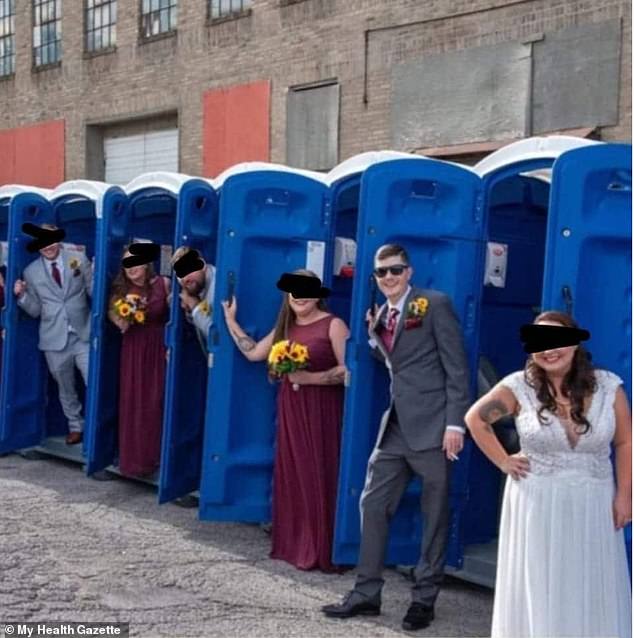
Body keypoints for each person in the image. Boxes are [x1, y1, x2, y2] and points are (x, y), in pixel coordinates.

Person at [322, 243, 471, 631]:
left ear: (408, 272)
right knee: (372, 504)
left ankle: (424, 599)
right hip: (396, 428)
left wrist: (456, 424)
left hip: (436, 429)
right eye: (381, 272)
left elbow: (457, 368)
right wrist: (375, 339)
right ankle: (366, 592)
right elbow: (400, 362)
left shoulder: (434, 303)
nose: (388, 277)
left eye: (395, 270)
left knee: (434, 515)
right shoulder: (381, 316)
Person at [465, 311, 632, 638]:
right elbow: (476, 420)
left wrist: (625, 495)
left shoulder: (608, 387)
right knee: (541, 580)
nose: (549, 350)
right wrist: (503, 461)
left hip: (593, 500)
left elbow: (626, 441)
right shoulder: (517, 388)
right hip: (536, 502)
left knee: (587, 578)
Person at [221, 270, 349, 571]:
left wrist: (309, 378)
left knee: (319, 470)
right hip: (291, 409)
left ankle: (321, 547)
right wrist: (229, 321)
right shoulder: (285, 328)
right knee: (294, 471)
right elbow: (253, 354)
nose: (300, 295)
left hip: (321, 410)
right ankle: (296, 543)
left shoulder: (334, 325)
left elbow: (346, 371)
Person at [14, 225, 92, 445]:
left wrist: (96, 273)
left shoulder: (78, 258)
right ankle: (76, 426)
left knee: (92, 380)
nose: (47, 246)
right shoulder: (31, 271)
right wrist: (21, 296)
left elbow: (92, 292)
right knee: (65, 387)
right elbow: (36, 310)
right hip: (53, 338)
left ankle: (97, 427)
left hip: (82, 333)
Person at [108, 247, 170, 478]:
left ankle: (156, 459)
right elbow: (120, 325)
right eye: (127, 263)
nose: (133, 267)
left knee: (157, 401)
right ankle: (134, 462)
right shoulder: (119, 292)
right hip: (134, 350)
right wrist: (126, 313)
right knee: (134, 402)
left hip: (159, 348)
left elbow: (176, 316)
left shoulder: (164, 283)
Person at [170, 246, 215, 355]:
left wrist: (195, 307)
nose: (186, 278)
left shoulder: (218, 287)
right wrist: (190, 311)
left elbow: (217, 336)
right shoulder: (200, 285)